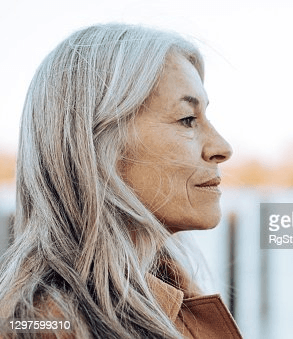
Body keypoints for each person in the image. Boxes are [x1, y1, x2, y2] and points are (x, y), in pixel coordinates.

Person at [0, 23, 242, 339]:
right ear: (95, 143)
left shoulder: (169, 299)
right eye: (187, 119)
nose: (222, 148)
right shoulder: (50, 326)